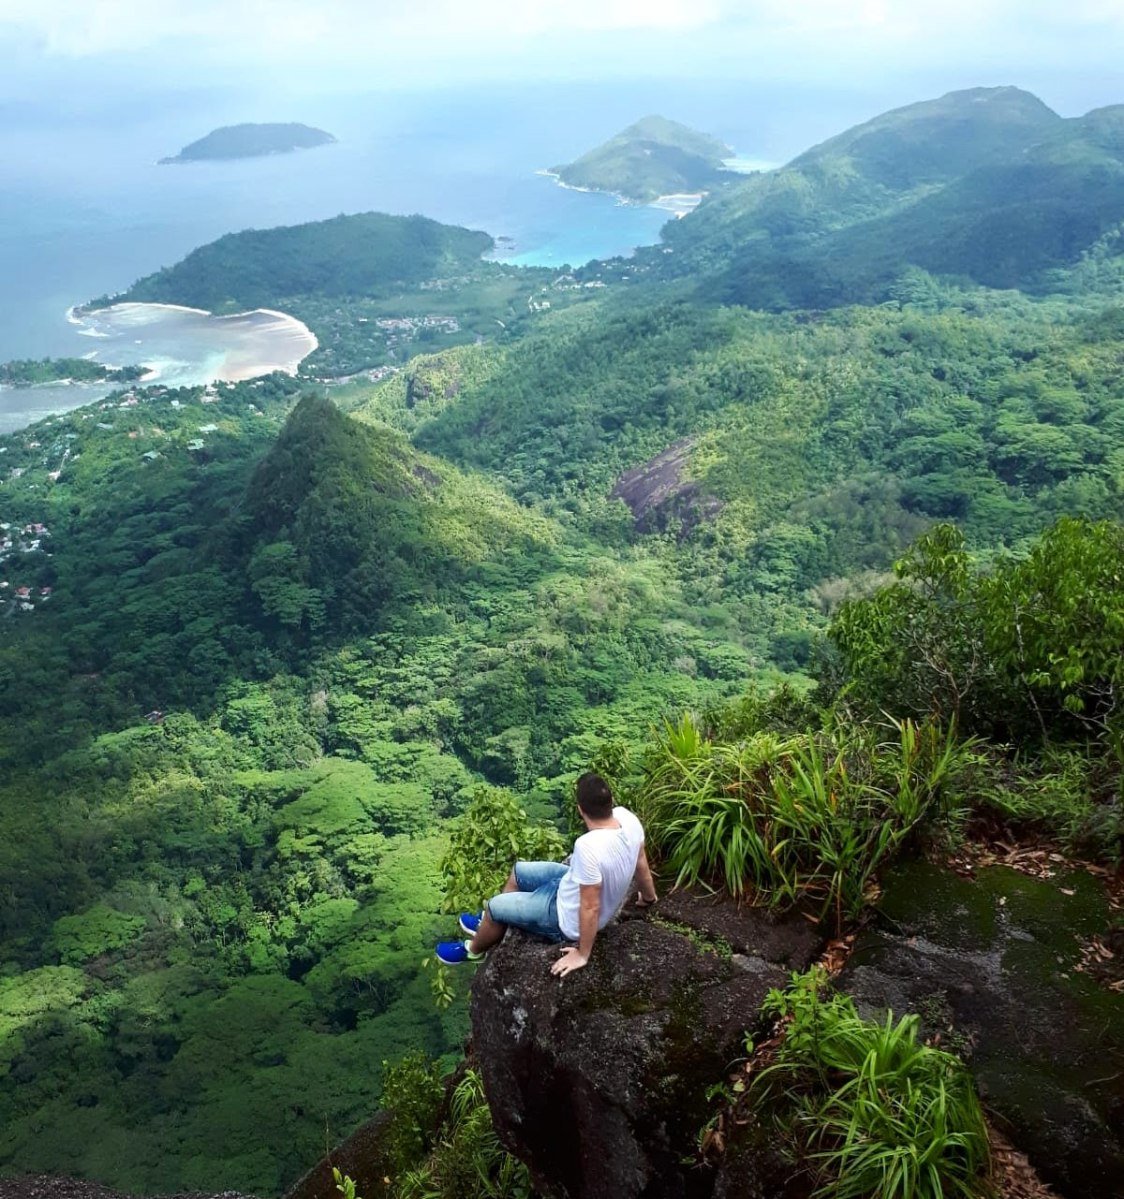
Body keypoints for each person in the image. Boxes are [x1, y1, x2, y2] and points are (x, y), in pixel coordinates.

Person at [435, 772, 657, 977]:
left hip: (563, 917)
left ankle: (474, 950)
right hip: (568, 887)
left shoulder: (588, 846)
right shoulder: (628, 819)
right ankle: (491, 925)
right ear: (610, 801)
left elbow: (590, 907)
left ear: (580, 809)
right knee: (518, 871)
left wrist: (582, 954)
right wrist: (649, 897)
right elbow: (641, 863)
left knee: (494, 906)